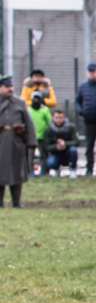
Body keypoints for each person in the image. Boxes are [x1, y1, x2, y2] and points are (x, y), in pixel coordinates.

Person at [0, 78, 36, 207]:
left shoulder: (19, 103)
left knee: (17, 173)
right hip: (1, 142)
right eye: (6, 86)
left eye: (11, 86)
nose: (10, 89)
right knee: (1, 173)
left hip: (16, 142)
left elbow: (29, 123)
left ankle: (16, 202)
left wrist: (32, 142)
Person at [75, 64, 96, 176]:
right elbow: (77, 101)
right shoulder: (82, 87)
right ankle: (89, 169)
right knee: (89, 146)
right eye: (90, 71)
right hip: (89, 121)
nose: (92, 73)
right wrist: (81, 112)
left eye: (94, 71)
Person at [43, 110, 78, 175]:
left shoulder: (71, 128)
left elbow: (76, 142)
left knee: (73, 150)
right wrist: (56, 147)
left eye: (61, 118)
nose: (59, 120)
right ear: (53, 118)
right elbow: (46, 146)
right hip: (55, 153)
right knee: (50, 163)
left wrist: (65, 144)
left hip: (67, 152)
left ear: (64, 118)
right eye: (57, 118)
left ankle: (73, 169)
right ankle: (56, 169)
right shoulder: (48, 130)